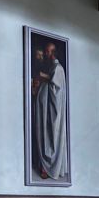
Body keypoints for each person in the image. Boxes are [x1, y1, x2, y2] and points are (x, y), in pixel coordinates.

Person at [32, 40, 70, 181]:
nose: (46, 54)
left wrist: (44, 78)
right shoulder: (50, 67)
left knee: (51, 136)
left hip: (54, 109)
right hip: (46, 108)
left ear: (53, 52)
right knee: (45, 135)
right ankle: (43, 166)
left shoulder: (58, 68)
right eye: (46, 51)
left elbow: (56, 87)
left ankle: (50, 167)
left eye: (48, 51)